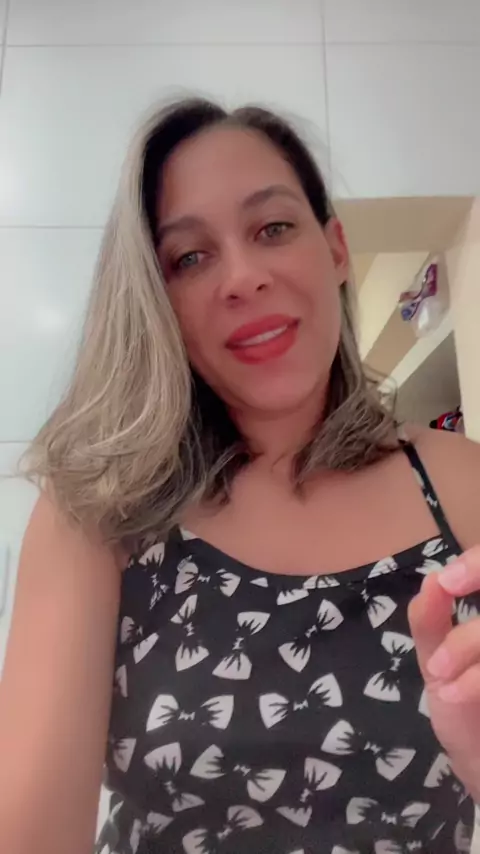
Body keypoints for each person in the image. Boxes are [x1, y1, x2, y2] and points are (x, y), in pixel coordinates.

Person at [0, 98, 479, 854]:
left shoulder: (461, 484)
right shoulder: (99, 512)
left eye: (273, 228)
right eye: (189, 257)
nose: (243, 277)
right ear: (158, 301)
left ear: (336, 249)